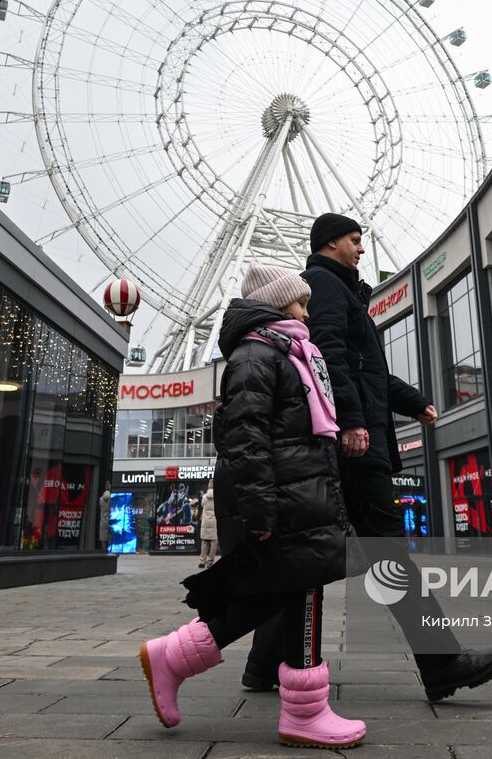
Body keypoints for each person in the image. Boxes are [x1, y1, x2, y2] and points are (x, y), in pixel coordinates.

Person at [242, 212, 492, 702]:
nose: (361, 248)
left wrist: (413, 402)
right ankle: (441, 662)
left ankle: (263, 664)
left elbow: (367, 370)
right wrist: (352, 420)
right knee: (388, 552)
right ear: (331, 243)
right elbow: (328, 356)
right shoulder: (325, 285)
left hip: (359, 437)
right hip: (357, 446)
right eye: (354, 239)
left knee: (309, 556)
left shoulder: (343, 292)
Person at [140, 263, 366, 749]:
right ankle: (305, 714)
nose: (307, 313)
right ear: (276, 304)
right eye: (301, 303)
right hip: (284, 498)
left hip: (300, 494)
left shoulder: (289, 354)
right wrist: (260, 508)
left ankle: (172, 658)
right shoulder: (256, 356)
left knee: (283, 592)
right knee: (298, 591)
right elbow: (245, 440)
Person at [198, 487, 219, 568]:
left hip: (206, 522)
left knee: (204, 541)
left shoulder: (204, 497)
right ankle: (210, 562)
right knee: (214, 542)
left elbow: (202, 505)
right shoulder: (218, 497)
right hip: (214, 521)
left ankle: (202, 561)